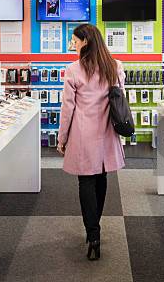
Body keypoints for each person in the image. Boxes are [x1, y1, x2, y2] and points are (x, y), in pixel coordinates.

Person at [57, 24, 125, 261]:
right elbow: (120, 100)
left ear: (85, 41)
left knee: (85, 181)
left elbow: (68, 108)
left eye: (75, 40)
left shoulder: (73, 69)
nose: (73, 44)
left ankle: (93, 234)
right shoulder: (114, 66)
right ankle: (95, 226)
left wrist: (62, 137)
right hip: (107, 133)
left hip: (83, 135)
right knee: (102, 177)